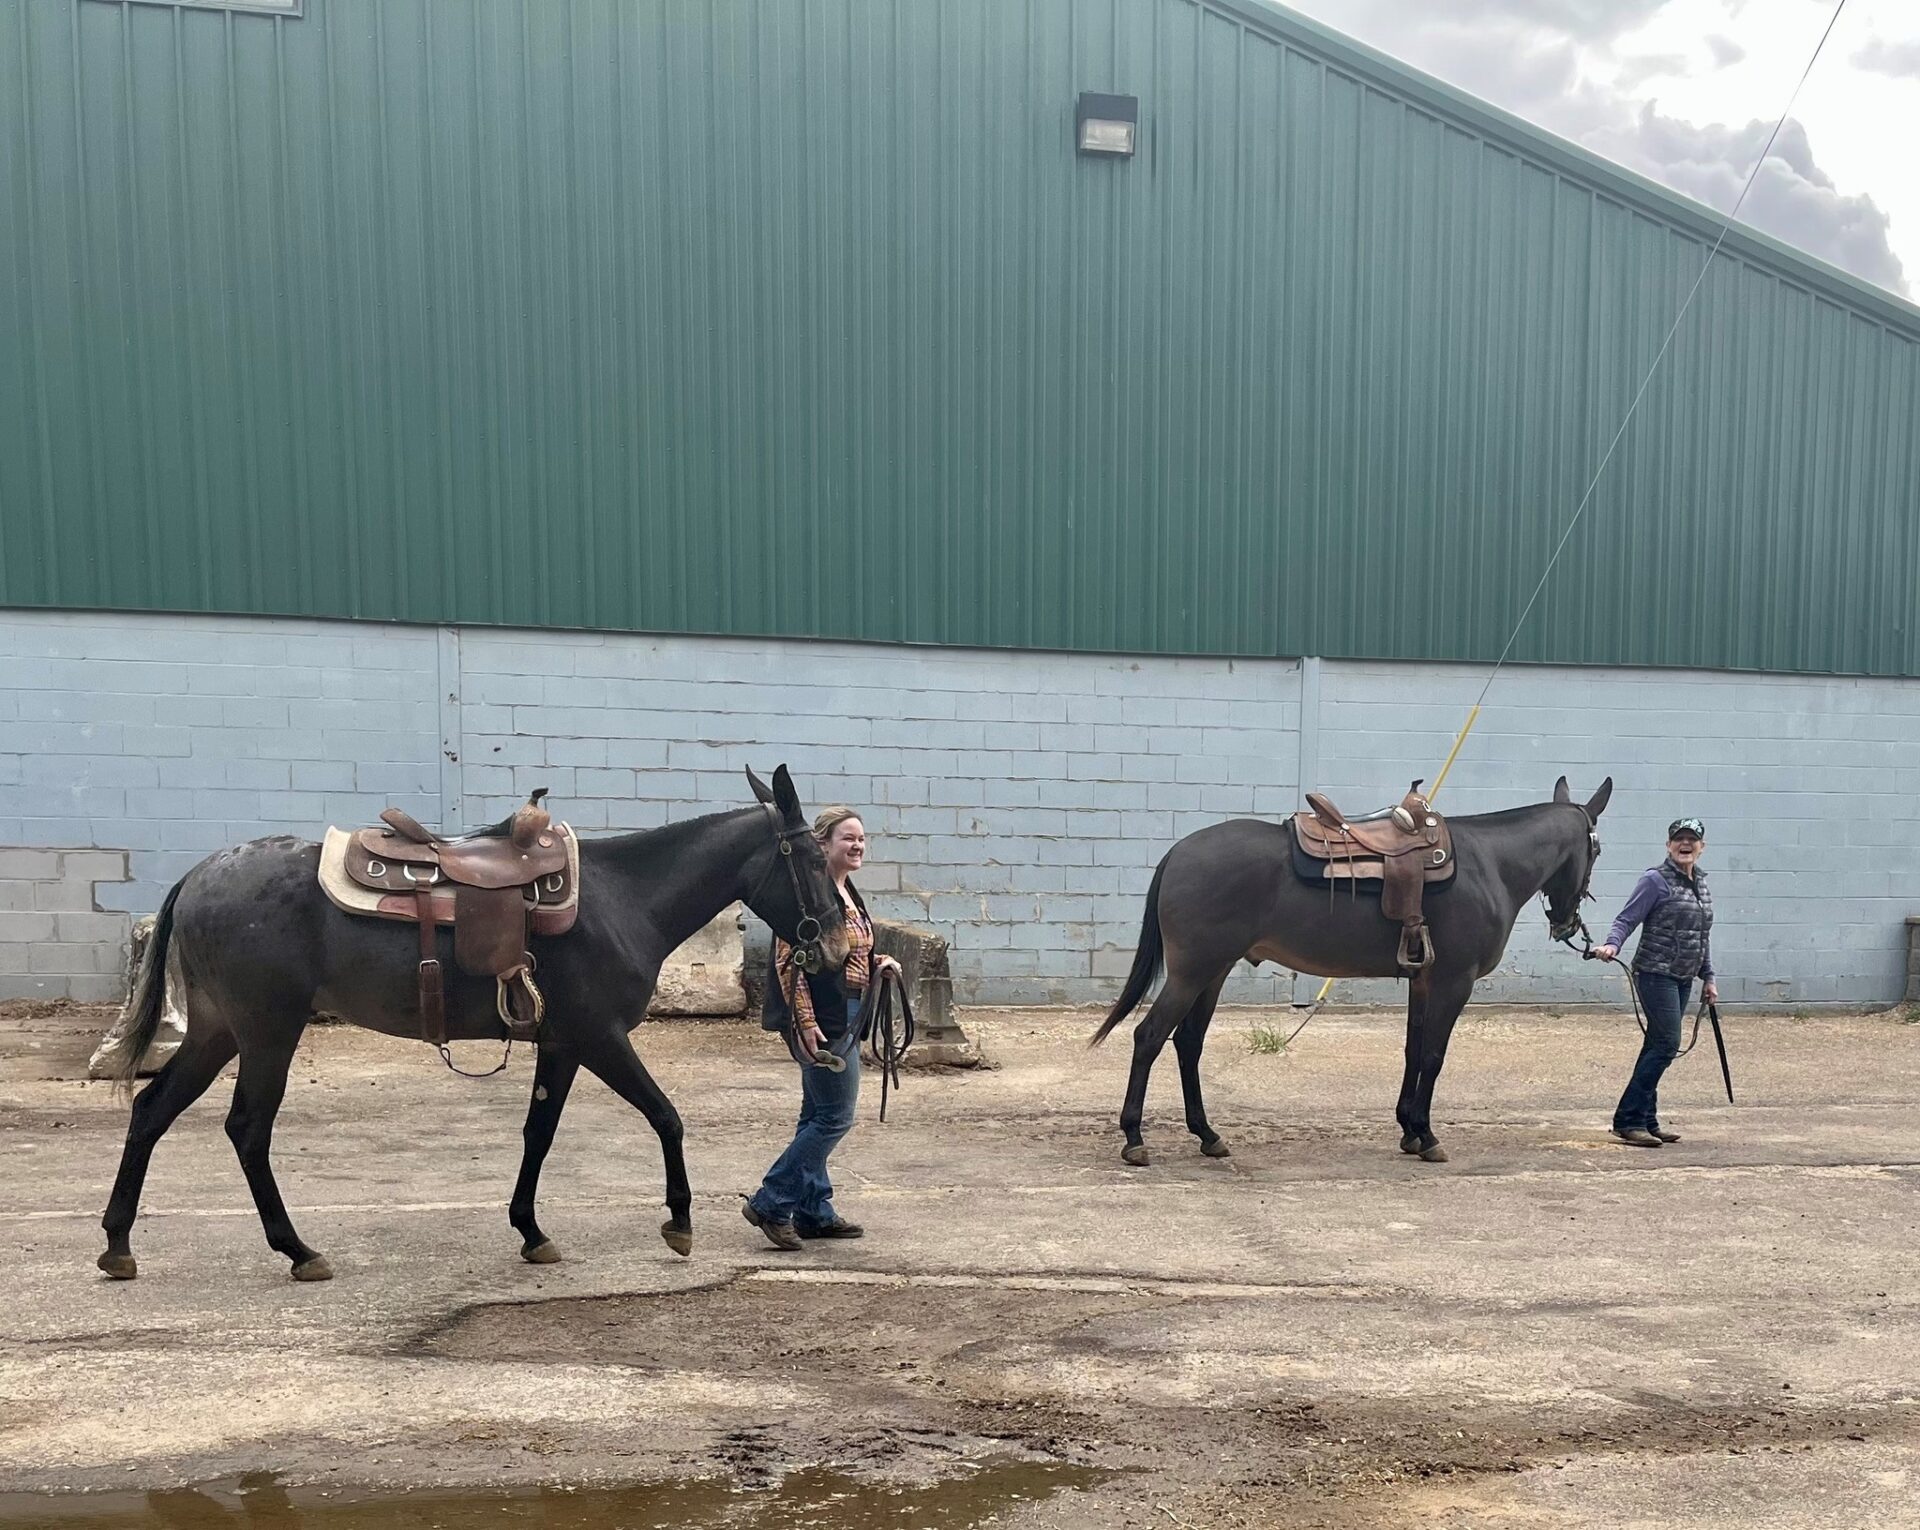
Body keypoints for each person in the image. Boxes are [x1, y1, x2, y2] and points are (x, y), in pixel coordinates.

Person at [742, 806, 900, 1249]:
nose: (857, 846)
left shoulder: (850, 894)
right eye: (848, 838)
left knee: (815, 1114)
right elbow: (787, 963)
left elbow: (846, 954)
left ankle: (813, 1210)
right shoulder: (807, 899)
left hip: (849, 1013)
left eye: (862, 839)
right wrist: (804, 1021)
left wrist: (877, 965)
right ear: (823, 845)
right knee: (835, 1117)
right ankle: (771, 1202)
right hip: (824, 1019)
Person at [1594, 816, 1718, 1147]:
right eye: (1679, 839)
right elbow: (1627, 918)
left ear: (1702, 847)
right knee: (1666, 1044)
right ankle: (1628, 1119)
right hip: (1654, 972)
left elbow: (1701, 935)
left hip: (1682, 977)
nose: (1685, 844)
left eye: (1692, 839)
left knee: (1656, 1045)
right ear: (1668, 845)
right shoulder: (1655, 880)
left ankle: (1646, 1120)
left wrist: (1708, 976)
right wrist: (1612, 944)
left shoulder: (1701, 884)